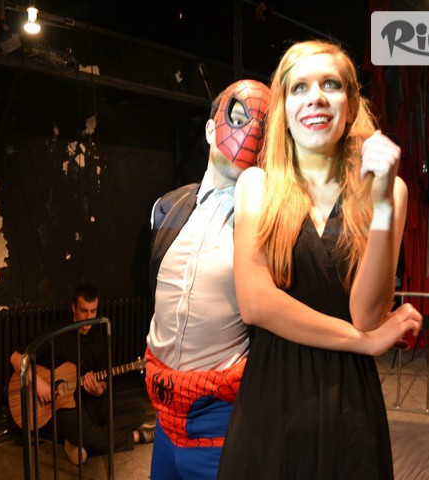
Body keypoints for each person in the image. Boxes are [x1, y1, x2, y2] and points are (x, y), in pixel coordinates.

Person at [217, 41, 422, 479]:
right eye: (300, 88)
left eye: (331, 84)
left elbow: (367, 315)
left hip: (351, 408)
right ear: (284, 109)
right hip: (271, 401)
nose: (316, 98)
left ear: (351, 103)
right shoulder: (257, 185)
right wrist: (364, 343)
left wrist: (383, 206)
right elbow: (256, 303)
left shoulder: (389, 192)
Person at [145, 79, 271, 479]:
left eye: (262, 124)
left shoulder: (268, 224)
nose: (249, 131)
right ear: (209, 128)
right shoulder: (169, 208)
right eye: (238, 116)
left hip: (221, 418)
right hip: (163, 411)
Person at [9, 284, 154, 465]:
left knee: (138, 411)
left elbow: (104, 384)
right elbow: (16, 357)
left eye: (93, 311)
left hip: (90, 401)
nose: (89, 317)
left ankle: (79, 442)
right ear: (73, 308)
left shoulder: (100, 340)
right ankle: (136, 436)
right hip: (62, 405)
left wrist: (98, 389)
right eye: (84, 311)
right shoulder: (58, 334)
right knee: (84, 431)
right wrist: (39, 383)